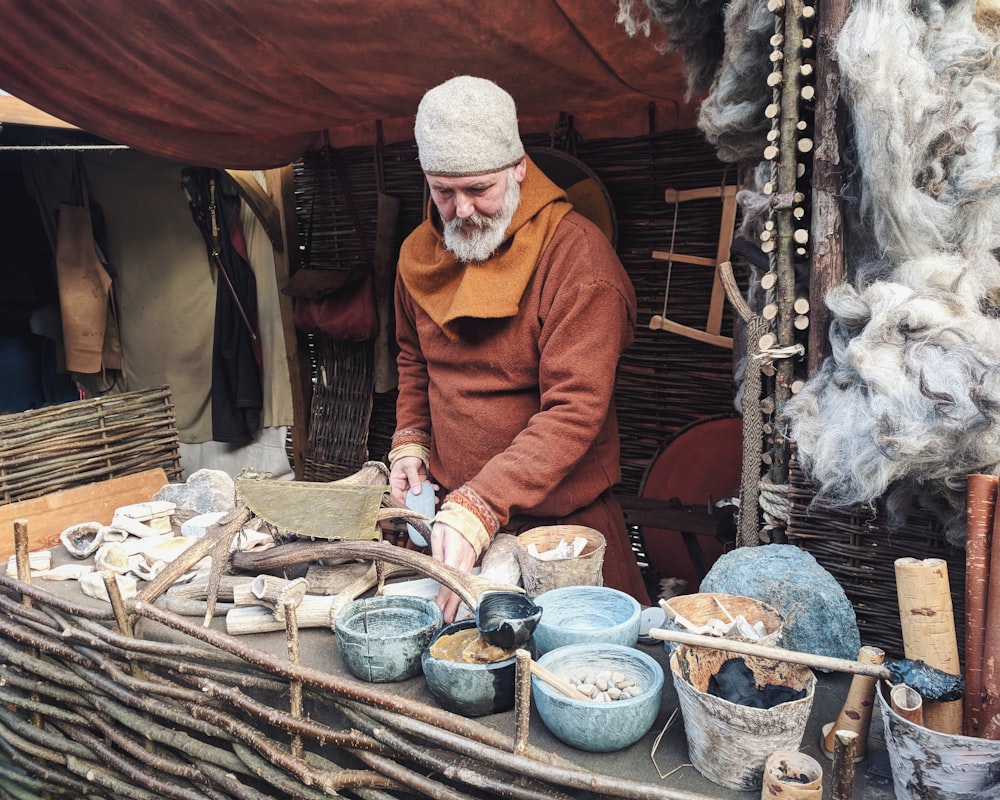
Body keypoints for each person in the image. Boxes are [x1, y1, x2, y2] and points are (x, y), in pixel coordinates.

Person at [388, 75, 650, 621]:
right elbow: (415, 358)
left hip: (561, 535)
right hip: (455, 525)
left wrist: (481, 503)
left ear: (519, 170)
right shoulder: (419, 254)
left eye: (479, 189)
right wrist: (410, 443)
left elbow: (575, 410)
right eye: (444, 192)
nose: (461, 211)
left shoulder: (577, 261)